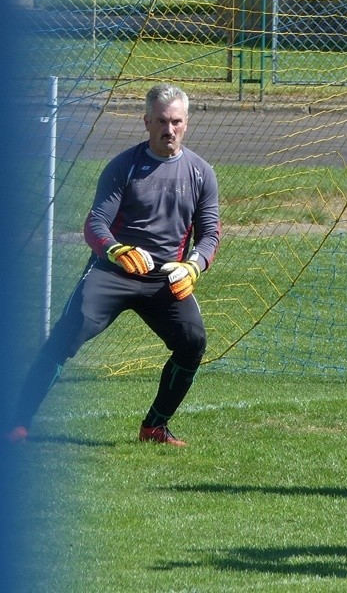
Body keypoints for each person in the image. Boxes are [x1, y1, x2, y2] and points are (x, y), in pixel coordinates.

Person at [5, 83, 220, 447]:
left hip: (165, 278)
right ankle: (18, 423)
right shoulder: (124, 166)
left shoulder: (201, 173)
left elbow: (210, 233)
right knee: (66, 336)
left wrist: (194, 266)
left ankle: (155, 426)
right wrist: (116, 250)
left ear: (187, 123)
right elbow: (95, 224)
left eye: (177, 122)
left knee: (193, 340)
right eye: (162, 122)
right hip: (114, 271)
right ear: (147, 122)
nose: (170, 130)